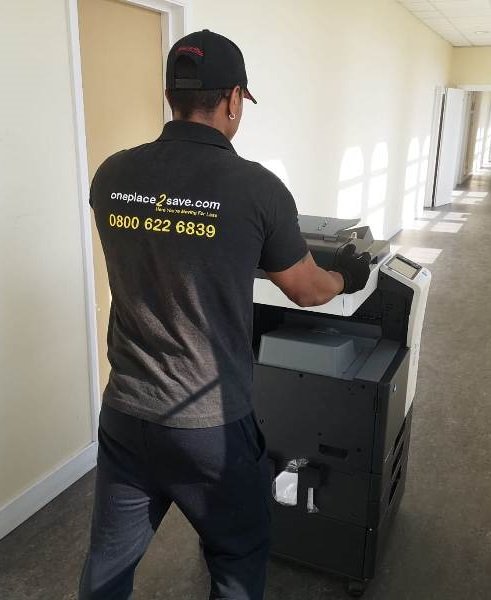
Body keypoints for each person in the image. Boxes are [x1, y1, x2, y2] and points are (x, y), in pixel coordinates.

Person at [79, 29, 370, 600]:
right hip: (209, 426)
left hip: (126, 416)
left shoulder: (111, 175)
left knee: (107, 567)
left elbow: (161, 246)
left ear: (171, 96)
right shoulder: (256, 188)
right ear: (234, 99)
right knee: (238, 559)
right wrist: (348, 276)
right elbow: (308, 290)